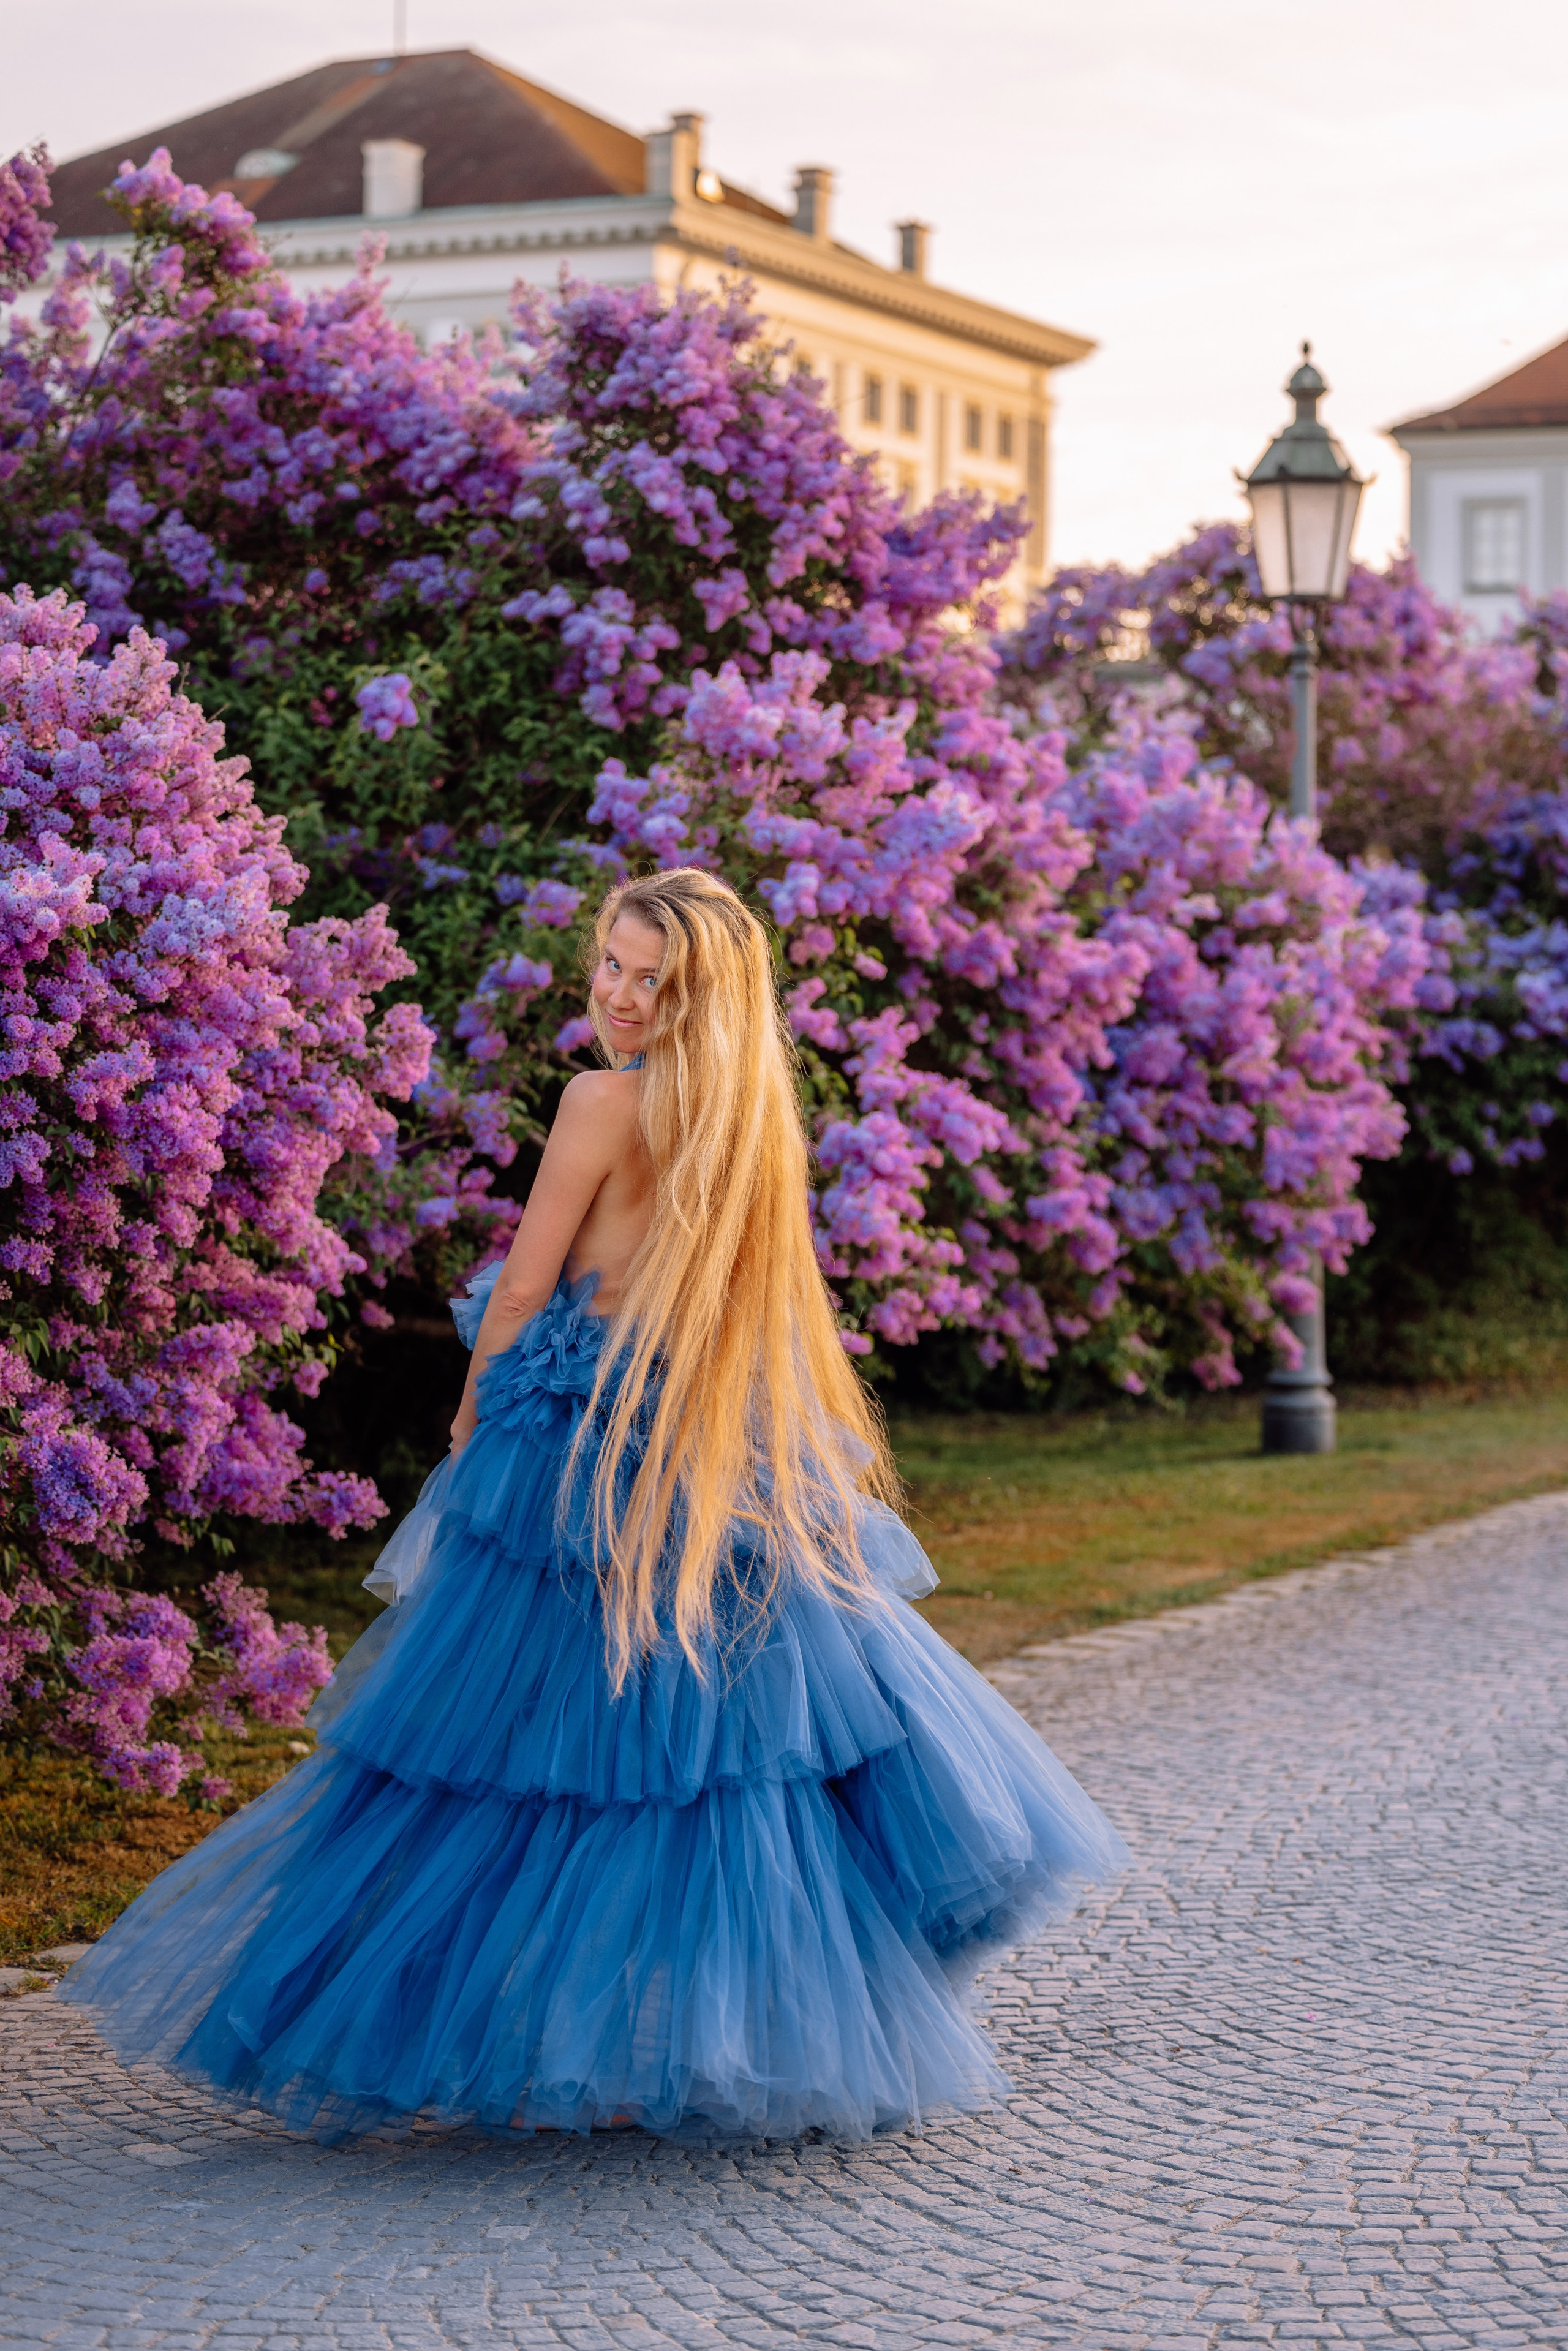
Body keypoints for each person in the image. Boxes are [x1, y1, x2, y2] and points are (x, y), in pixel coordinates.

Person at [62, 869, 1127, 2143]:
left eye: (648, 978)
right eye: (611, 965)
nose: (617, 996)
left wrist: (466, 1422)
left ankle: (538, 2036)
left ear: (697, 995)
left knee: (518, 1743)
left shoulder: (599, 1103)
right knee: (708, 1749)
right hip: (711, 1436)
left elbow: (521, 1287)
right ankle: (684, 2043)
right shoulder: (754, 1117)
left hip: (579, 1446)